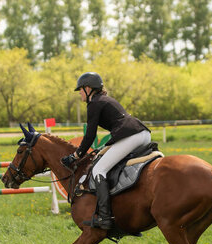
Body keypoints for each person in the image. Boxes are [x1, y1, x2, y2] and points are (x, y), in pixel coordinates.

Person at [61, 72, 151, 230]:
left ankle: (105, 217)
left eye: (80, 90)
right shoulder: (103, 100)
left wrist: (76, 155)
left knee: (99, 169)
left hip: (131, 136)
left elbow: (90, 136)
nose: (80, 93)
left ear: (88, 88)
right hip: (143, 134)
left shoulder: (94, 103)